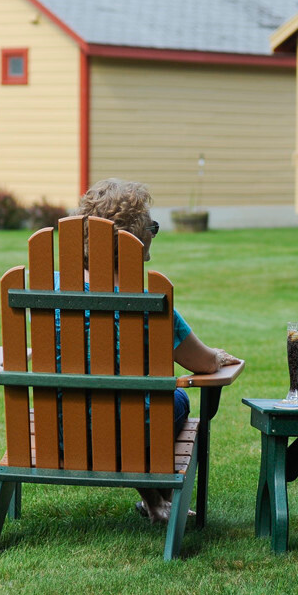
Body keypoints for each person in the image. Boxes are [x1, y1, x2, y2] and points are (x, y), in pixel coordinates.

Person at [71, 178, 244, 523]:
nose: (154, 231)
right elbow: (203, 363)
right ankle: (162, 501)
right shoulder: (152, 302)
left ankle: (155, 503)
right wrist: (218, 357)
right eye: (152, 225)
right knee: (173, 401)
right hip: (130, 427)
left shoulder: (55, 291)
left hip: (64, 426)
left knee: (130, 406)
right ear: (137, 238)